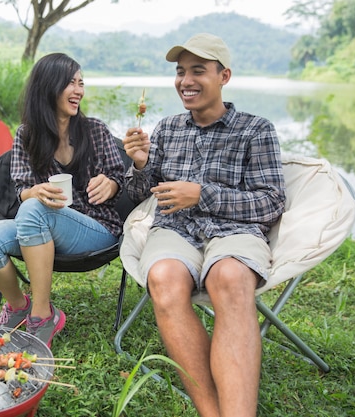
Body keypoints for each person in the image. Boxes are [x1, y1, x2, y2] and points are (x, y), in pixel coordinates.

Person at [122, 33, 286, 416]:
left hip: (235, 231)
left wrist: (203, 194)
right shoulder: (167, 128)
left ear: (223, 76)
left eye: (198, 71)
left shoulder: (255, 129)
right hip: (175, 230)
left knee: (228, 279)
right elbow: (140, 191)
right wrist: (142, 163)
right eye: (180, 72)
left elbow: (272, 201)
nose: (186, 81)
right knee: (163, 278)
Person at [0, 53, 125, 347]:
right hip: (39, 227)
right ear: (48, 86)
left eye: (81, 83)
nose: (79, 90)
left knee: (33, 209)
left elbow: (122, 176)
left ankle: (43, 317)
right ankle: (19, 308)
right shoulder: (26, 135)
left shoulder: (95, 131)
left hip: (95, 230)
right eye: (71, 83)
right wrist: (35, 192)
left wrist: (113, 184)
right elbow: (21, 189)